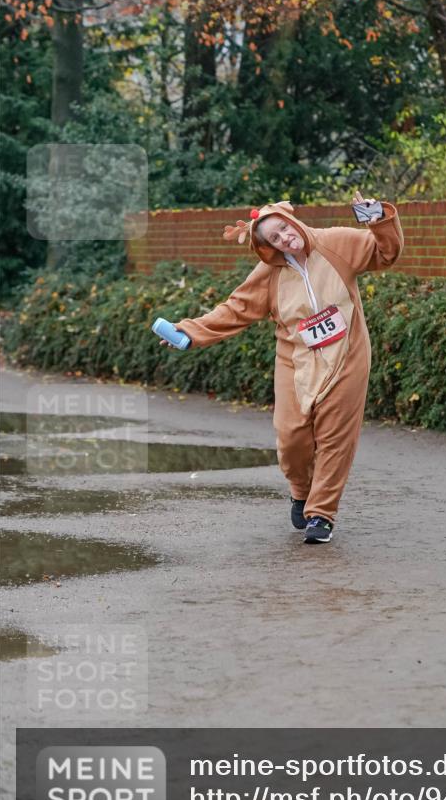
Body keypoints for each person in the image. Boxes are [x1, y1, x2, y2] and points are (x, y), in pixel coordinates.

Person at [159, 193, 404, 543]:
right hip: (295, 359)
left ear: (293, 221)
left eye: (285, 230)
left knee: (336, 438)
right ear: (268, 247)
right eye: (275, 239)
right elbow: (235, 309)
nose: (285, 239)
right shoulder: (269, 273)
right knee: (292, 438)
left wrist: (377, 218)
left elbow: (386, 253)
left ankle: (321, 515)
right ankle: (301, 491)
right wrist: (190, 331)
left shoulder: (335, 243)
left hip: (346, 356)